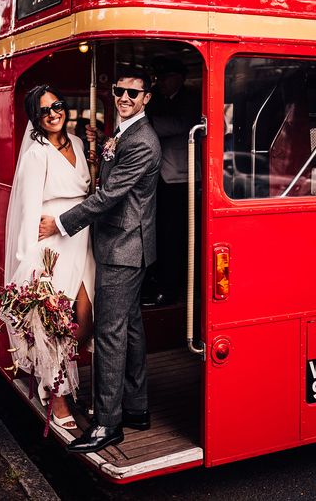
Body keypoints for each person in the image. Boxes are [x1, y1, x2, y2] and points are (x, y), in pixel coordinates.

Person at [39, 67, 162, 453]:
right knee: (131, 329)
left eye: (132, 93)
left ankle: (108, 424)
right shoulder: (125, 132)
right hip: (128, 244)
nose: (124, 98)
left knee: (110, 334)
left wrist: (61, 222)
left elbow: (109, 196)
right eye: (119, 91)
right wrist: (103, 147)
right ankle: (137, 408)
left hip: (122, 248)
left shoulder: (143, 140)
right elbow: (112, 171)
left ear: (146, 99)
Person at [4, 85, 94, 430]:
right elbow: (27, 212)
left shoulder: (80, 142)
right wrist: (27, 264)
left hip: (81, 239)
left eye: (57, 105)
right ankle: (55, 395)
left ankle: (65, 382)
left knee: (84, 319)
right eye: (44, 110)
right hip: (51, 246)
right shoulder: (35, 154)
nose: (53, 113)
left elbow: (87, 189)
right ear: (35, 118)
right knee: (54, 325)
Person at [144, 57, 200, 306]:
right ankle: (159, 280)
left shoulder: (191, 98)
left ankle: (173, 288)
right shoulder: (156, 97)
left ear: (180, 77)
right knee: (158, 233)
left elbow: (181, 124)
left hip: (181, 178)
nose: (161, 83)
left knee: (176, 236)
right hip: (159, 178)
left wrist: (144, 124)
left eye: (165, 77)